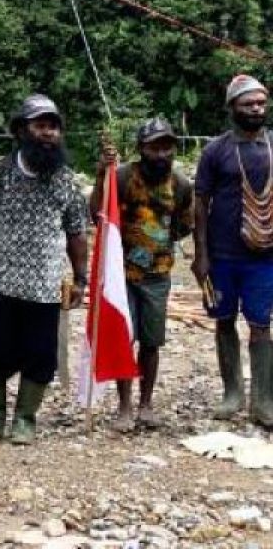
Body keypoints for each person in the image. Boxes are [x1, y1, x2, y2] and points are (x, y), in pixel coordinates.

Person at [0, 94, 88, 444]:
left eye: (54, 127)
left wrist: (81, 278)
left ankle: (26, 420)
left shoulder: (65, 179)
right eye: (40, 126)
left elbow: (77, 232)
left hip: (44, 286)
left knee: (40, 355)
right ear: (21, 131)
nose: (49, 133)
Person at [91, 118, 193, 432]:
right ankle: (124, 405)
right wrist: (100, 175)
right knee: (125, 337)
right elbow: (97, 213)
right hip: (121, 274)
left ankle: (146, 405)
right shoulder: (122, 177)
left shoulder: (181, 185)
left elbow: (183, 226)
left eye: (167, 147)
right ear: (141, 149)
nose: (161, 154)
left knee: (152, 340)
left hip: (158, 275)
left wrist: (155, 247)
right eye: (154, 147)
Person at [193, 75, 273, 426]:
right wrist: (201, 254)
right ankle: (232, 394)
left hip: (264, 258)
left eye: (261, 103)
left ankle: (263, 401)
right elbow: (200, 203)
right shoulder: (216, 150)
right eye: (248, 104)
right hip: (222, 255)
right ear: (232, 108)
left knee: (261, 324)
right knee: (223, 321)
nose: (256, 109)